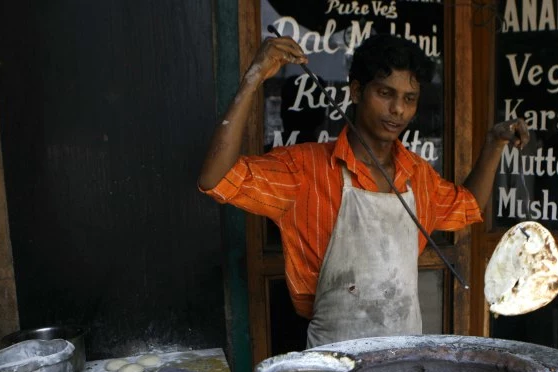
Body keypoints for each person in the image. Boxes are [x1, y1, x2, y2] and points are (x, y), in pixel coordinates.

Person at [198, 34, 529, 348]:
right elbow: (217, 178)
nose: (398, 109)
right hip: (331, 363)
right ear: (356, 91)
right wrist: (254, 77)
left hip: (403, 358)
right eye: (385, 93)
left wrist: (493, 143)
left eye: (409, 99)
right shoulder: (304, 170)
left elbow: (468, 205)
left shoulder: (419, 176)